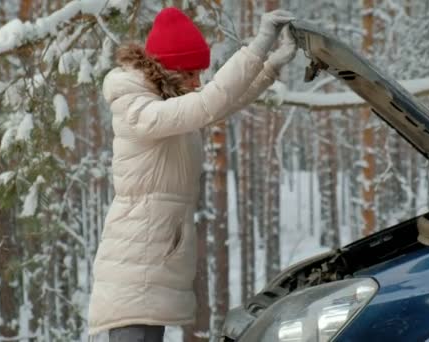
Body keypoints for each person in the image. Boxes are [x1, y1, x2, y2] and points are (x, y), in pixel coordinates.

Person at [88, 6, 297, 342]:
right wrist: (259, 45)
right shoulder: (139, 109)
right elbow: (208, 104)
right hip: (135, 263)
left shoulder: (165, 101)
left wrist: (270, 65)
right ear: (166, 70)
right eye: (190, 74)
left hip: (152, 257)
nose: (198, 82)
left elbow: (224, 101)